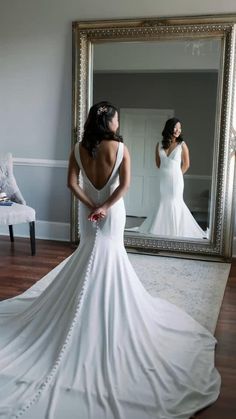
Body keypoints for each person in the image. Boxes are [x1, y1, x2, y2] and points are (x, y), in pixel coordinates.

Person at [0, 103, 220, 419]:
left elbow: (71, 184)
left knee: (89, 254)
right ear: (110, 121)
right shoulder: (120, 148)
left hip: (86, 211)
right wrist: (105, 206)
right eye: (117, 117)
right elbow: (125, 186)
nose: (119, 122)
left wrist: (92, 204)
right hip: (111, 213)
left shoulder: (77, 148)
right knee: (110, 257)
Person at [139, 117, 208, 238]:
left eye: (180, 128)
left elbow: (187, 164)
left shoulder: (182, 144)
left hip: (176, 180)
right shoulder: (159, 144)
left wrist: (176, 174)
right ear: (169, 128)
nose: (178, 130)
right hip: (163, 180)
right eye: (176, 127)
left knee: (175, 201)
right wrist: (166, 172)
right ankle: (160, 228)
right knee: (163, 201)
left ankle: (176, 229)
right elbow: (158, 163)